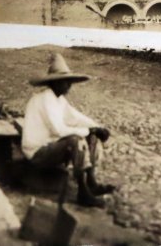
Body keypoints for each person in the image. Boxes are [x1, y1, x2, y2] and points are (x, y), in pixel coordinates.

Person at [22, 53, 116, 208]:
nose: (69, 86)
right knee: (75, 140)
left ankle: (91, 182)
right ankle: (83, 193)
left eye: (69, 82)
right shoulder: (44, 99)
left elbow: (76, 117)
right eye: (66, 82)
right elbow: (58, 130)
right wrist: (88, 131)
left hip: (50, 147)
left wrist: (96, 127)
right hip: (37, 153)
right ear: (56, 83)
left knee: (91, 136)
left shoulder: (58, 100)